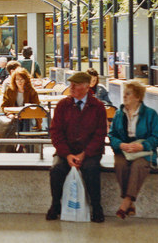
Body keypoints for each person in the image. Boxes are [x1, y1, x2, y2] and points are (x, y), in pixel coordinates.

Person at [46, 71, 107, 223]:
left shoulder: (98, 107)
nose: (71, 88)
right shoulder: (62, 105)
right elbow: (56, 132)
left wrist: (84, 154)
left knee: (91, 169)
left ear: (87, 87)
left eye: (76, 85)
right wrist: (67, 154)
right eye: (70, 84)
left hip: (90, 152)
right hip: (66, 151)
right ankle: (55, 204)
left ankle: (97, 207)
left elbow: (100, 134)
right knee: (56, 170)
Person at [108, 80, 158, 219]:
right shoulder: (119, 114)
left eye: (128, 94)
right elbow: (111, 135)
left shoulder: (151, 114)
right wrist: (120, 145)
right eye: (124, 93)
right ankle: (130, 203)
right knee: (120, 165)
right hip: (124, 150)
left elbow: (157, 138)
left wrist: (142, 146)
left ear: (138, 97)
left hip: (143, 151)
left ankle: (125, 201)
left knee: (138, 166)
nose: (124, 96)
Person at [0, 68, 40, 135]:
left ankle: (24, 143)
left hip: (27, 116)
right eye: (17, 79)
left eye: (22, 79)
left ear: (26, 80)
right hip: (12, 114)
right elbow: (4, 105)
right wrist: (10, 114)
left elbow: (35, 107)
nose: (20, 82)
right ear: (14, 80)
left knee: (25, 120)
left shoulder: (32, 92)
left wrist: (21, 115)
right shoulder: (10, 91)